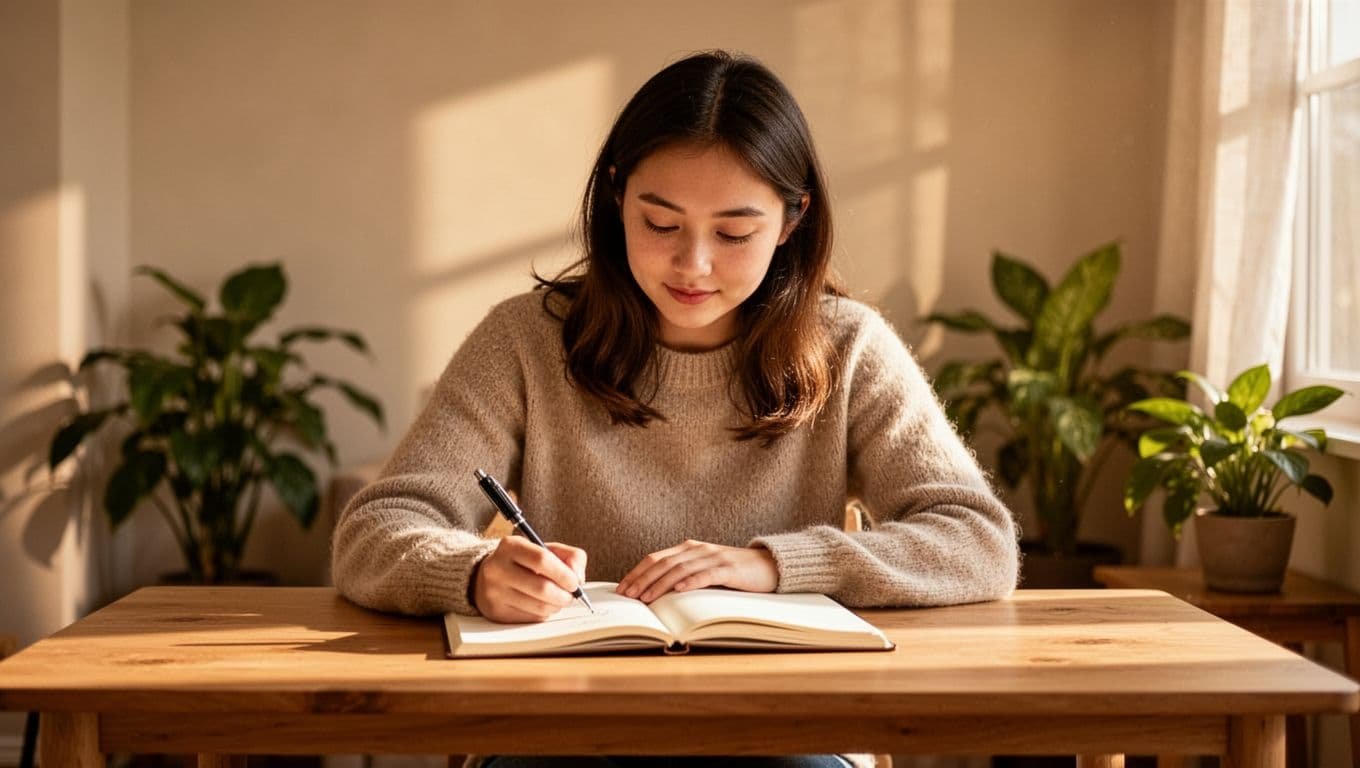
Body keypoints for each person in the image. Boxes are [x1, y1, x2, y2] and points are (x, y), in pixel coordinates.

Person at [332, 50, 1018, 768]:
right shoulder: (522, 340)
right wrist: (473, 573)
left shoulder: (848, 346)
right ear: (616, 197)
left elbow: (978, 540)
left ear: (791, 220)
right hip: (561, 723)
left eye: (733, 233)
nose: (693, 265)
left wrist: (774, 566)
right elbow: (376, 530)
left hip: (790, 728)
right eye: (660, 224)